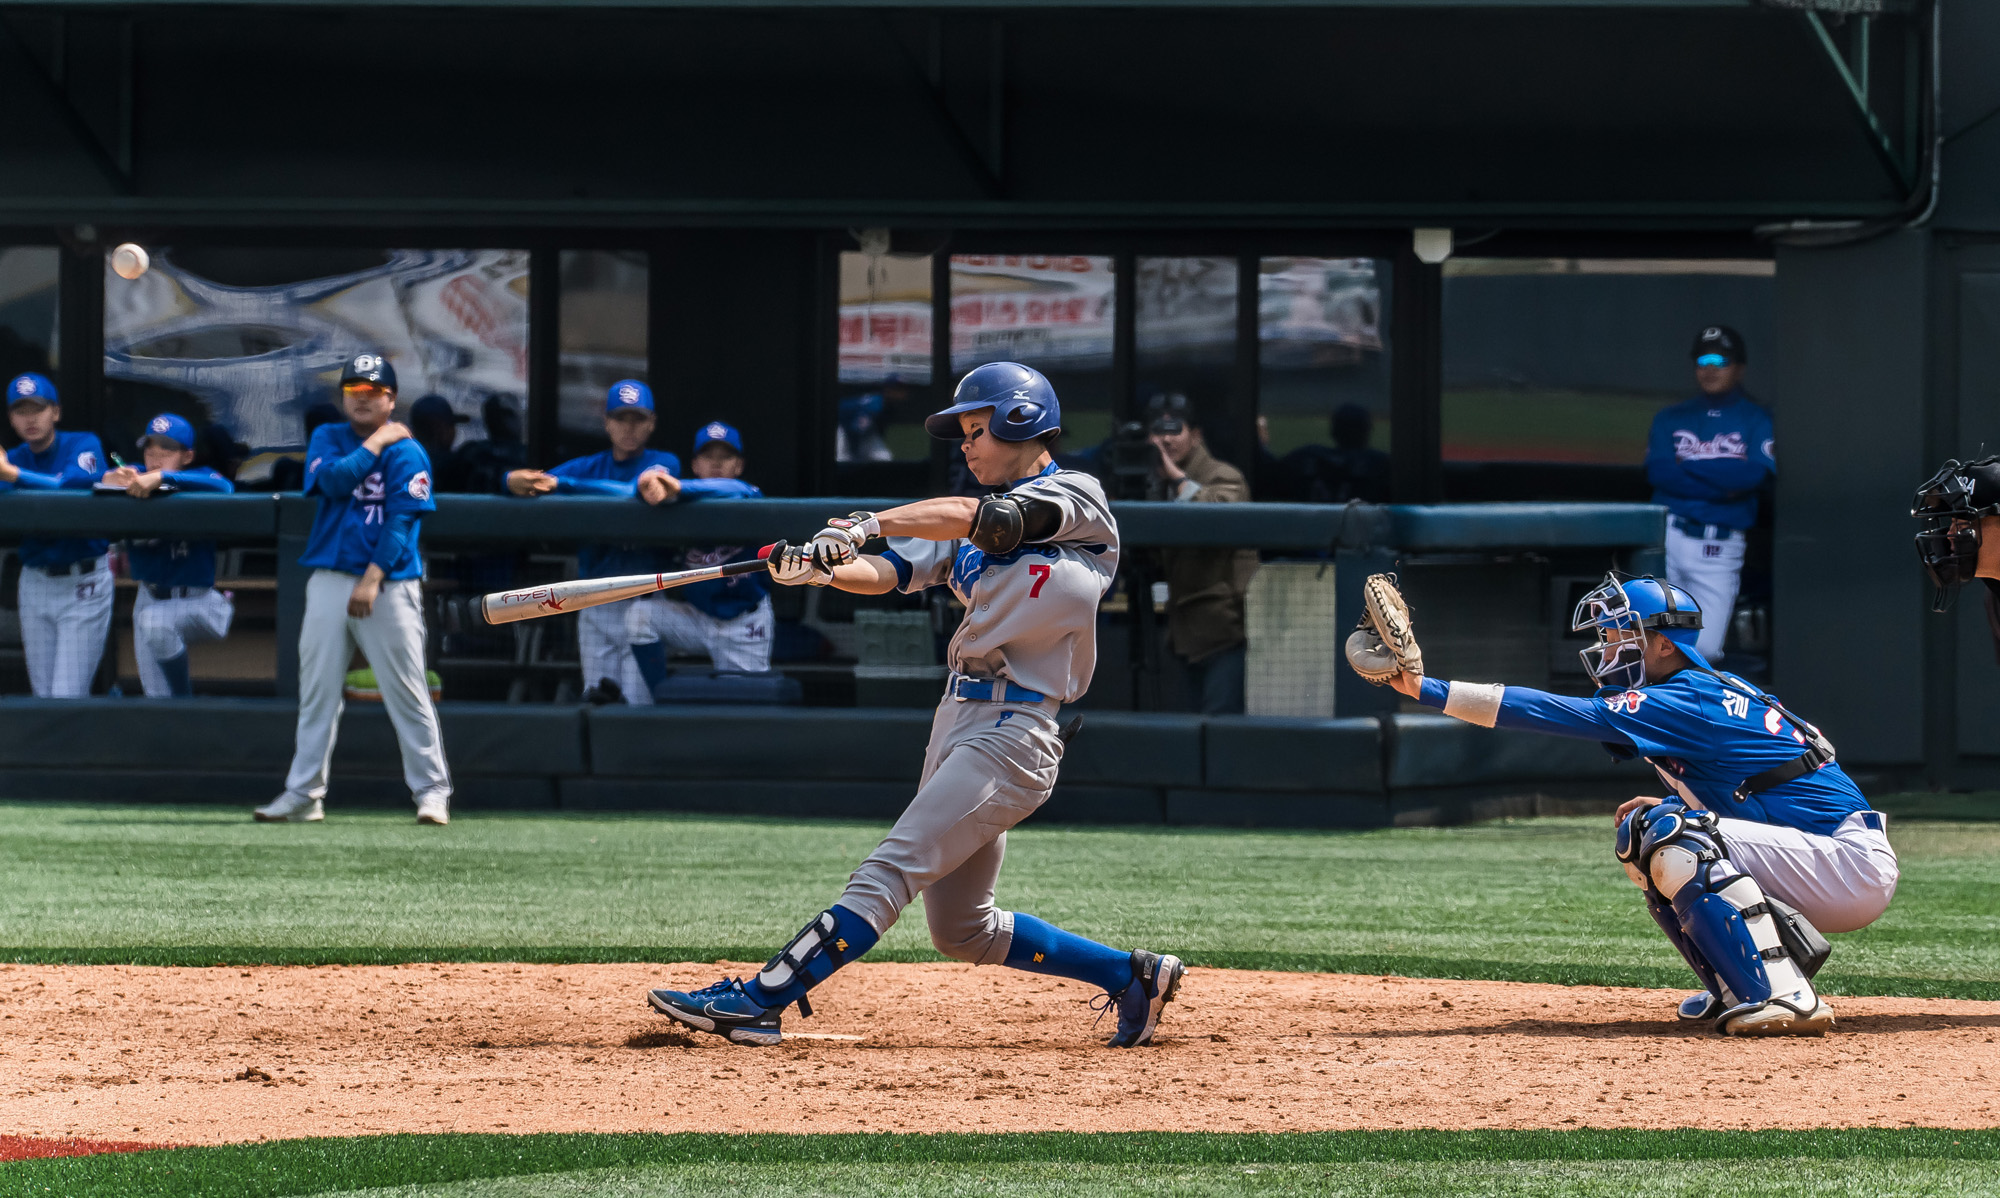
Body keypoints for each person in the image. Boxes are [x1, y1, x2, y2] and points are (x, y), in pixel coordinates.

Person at [646, 361, 1184, 1049]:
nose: (967, 446)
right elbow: (891, 571)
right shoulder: (963, 524)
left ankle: (761, 998)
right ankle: (1131, 976)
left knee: (888, 871)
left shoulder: (1076, 496)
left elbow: (987, 521)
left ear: (1021, 421)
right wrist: (819, 568)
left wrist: (866, 523)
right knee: (961, 929)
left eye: (978, 430)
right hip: (957, 717)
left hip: (1016, 730)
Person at [1357, 572, 1896, 1037]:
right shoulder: (1701, 688)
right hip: (1823, 853)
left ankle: (1785, 996)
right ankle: (1737, 984)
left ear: (1663, 644)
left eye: (1620, 635)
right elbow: (1756, 788)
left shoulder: (1689, 697)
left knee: (1672, 835)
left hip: (1846, 864)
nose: (1608, 648)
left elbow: (1551, 712)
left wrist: (1425, 689)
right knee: (1645, 830)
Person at [256, 352, 452, 825]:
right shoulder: (329, 436)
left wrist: (371, 579)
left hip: (389, 584)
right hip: (328, 577)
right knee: (317, 692)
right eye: (354, 391)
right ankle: (304, 793)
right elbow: (332, 481)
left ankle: (432, 792)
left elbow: (403, 520)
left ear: (391, 398)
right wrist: (379, 440)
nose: (362, 399)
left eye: (373, 391)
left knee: (407, 691)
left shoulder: (410, 452)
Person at [503, 379, 681, 704]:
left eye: (638, 419)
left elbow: (634, 491)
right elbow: (536, 482)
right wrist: (508, 480)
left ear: (651, 423)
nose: (629, 427)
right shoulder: (590, 466)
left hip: (644, 600)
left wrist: (566, 485)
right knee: (597, 700)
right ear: (607, 422)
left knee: (638, 705)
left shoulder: (664, 462)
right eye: (621, 418)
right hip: (595, 597)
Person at [1644, 325, 1775, 663]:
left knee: (1704, 649)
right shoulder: (1670, 417)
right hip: (1668, 539)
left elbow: (1751, 476)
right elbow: (1660, 474)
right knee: (1654, 644)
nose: (1710, 368)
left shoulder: (1757, 419)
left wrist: (1689, 465)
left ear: (1739, 368)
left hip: (1719, 546)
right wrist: (1723, 482)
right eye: (1703, 361)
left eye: (1721, 361)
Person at [102, 413, 236, 698]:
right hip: (149, 595)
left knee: (154, 621)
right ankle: (179, 714)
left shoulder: (198, 478)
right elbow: (82, 482)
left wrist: (162, 476)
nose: (156, 457)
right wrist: (108, 477)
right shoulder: (133, 475)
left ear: (187, 456)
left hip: (197, 602)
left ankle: (185, 702)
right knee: (156, 696)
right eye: (151, 450)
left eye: (167, 450)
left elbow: (225, 486)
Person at [626, 421, 772, 680]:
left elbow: (737, 490)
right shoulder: (676, 501)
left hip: (744, 622)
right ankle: (661, 697)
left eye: (725, 456)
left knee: (742, 700)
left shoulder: (748, 494)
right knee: (639, 616)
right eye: (708, 456)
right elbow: (628, 493)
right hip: (697, 617)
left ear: (739, 466)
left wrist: (679, 487)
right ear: (695, 464)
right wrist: (646, 483)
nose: (716, 463)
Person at [0, 373, 111, 697]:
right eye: (21, 411)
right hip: (35, 581)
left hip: (83, 582)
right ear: (11, 418)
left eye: (38, 408)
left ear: (56, 412)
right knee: (44, 697)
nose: (30, 418)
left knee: (66, 696)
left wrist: (13, 475)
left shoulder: (83, 443)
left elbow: (73, 487)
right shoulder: (14, 458)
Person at [1146, 392, 1257, 715]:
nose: (1166, 440)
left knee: (1219, 728)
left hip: (1226, 631)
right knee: (1185, 728)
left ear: (1195, 436)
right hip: (1183, 635)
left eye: (1174, 430)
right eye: (1158, 431)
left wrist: (1175, 477)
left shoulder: (1222, 475)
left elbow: (1217, 517)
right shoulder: (1156, 484)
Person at [1273, 403, 1393, 504]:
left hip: (1310, 522)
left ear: (1333, 431)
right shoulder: (1379, 464)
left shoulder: (1303, 457)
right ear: (1366, 431)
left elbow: (1271, 477)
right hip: (1358, 524)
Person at [444, 394, 529, 495]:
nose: (506, 422)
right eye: (498, 416)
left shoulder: (531, 454)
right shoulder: (471, 453)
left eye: (510, 415)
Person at [408, 394, 467, 474]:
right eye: (450, 425)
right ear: (439, 429)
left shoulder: (404, 460)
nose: (453, 431)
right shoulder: (453, 466)